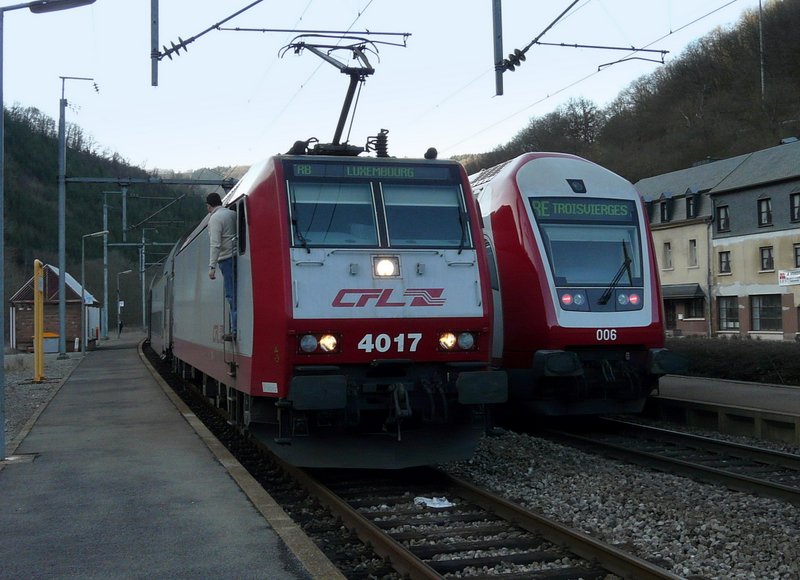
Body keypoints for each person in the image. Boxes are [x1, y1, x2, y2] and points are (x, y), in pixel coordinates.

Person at [207, 192, 238, 339]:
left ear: (209, 206)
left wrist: (212, 267)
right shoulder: (233, 214)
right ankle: (236, 327)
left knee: (231, 295)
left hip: (226, 259)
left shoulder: (215, 218)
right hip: (238, 257)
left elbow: (215, 244)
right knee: (238, 294)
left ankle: (235, 330)